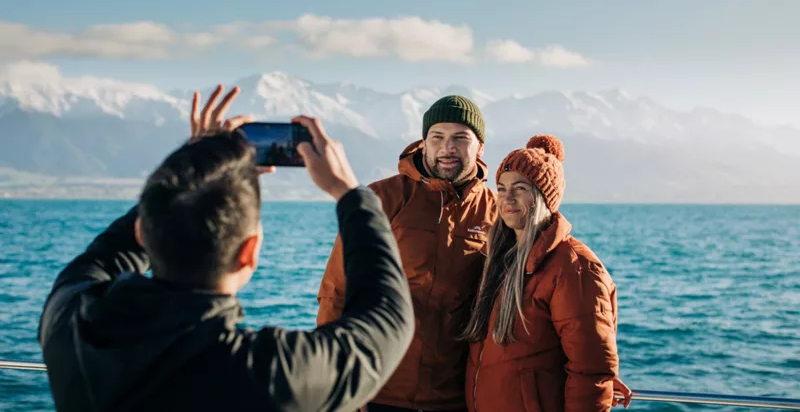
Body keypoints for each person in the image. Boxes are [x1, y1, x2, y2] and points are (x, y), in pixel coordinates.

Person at [37, 85, 414, 412]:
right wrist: (347, 192)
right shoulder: (266, 374)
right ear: (249, 253)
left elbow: (105, 255)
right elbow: (388, 321)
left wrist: (195, 161)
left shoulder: (69, 321)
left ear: (142, 231)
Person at [317, 95, 497, 412]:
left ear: (479, 146)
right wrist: (335, 380)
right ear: (423, 142)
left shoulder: (496, 212)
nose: (447, 148)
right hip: (378, 390)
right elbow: (336, 289)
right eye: (437, 137)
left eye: (460, 138)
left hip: (455, 398)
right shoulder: (382, 197)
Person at [463, 135, 624, 412]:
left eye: (520, 188)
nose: (507, 198)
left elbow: (591, 371)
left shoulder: (575, 267)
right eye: (501, 188)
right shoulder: (499, 258)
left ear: (543, 197)